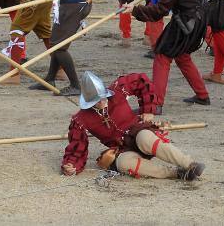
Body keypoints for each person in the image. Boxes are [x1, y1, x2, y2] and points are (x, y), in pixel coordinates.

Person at [123, 0, 212, 111]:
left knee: (162, 56)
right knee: (181, 55)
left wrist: (135, 10)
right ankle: (202, 95)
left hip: (185, 22)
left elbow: (159, 11)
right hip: (200, 17)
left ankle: (155, 104)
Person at [61, 71, 205, 180]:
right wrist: (71, 165)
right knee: (122, 163)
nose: (102, 102)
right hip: (123, 149)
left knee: (144, 138)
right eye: (96, 101)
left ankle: (190, 164)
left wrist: (148, 109)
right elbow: (77, 146)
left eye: (102, 97)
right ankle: (177, 173)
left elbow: (141, 81)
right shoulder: (80, 119)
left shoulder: (118, 90)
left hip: (139, 133)